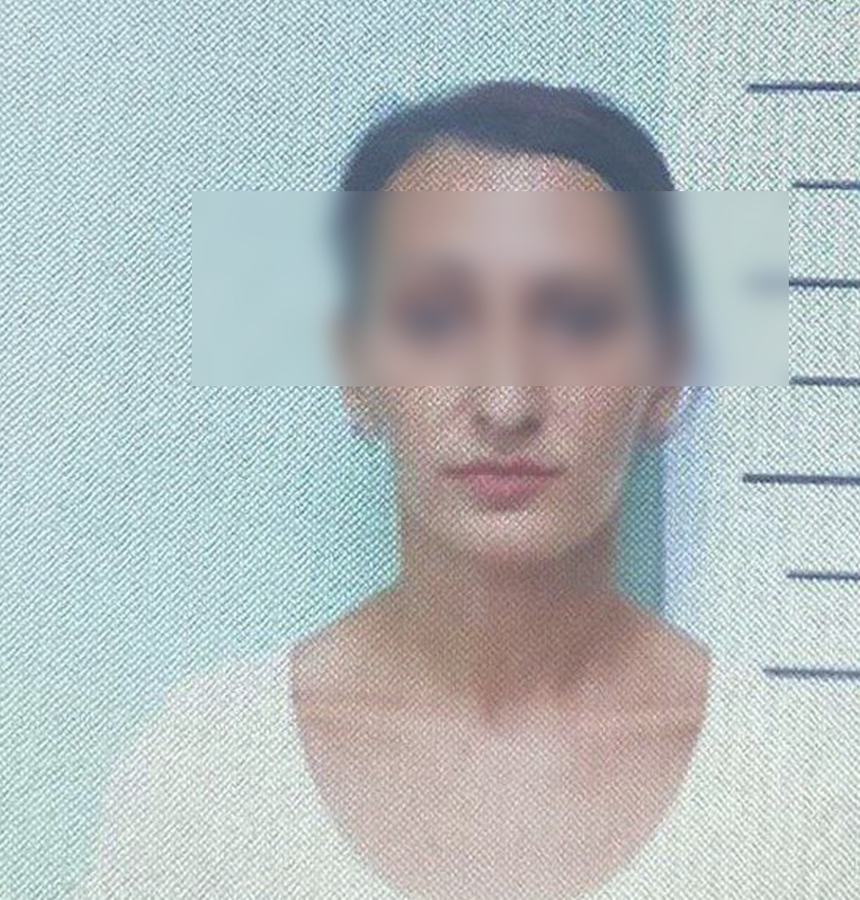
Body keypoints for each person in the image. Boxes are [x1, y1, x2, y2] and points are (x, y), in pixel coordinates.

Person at [75, 80, 720, 900]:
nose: (506, 404)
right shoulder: (207, 777)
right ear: (354, 368)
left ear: (665, 377)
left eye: (577, 318)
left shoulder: (805, 784)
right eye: (434, 317)